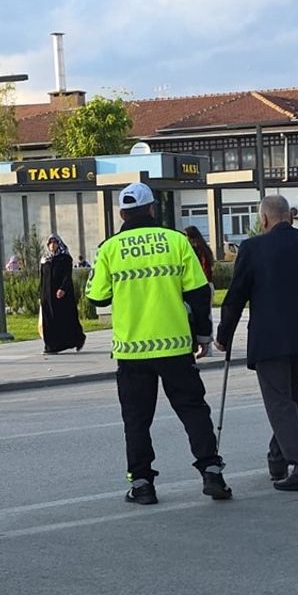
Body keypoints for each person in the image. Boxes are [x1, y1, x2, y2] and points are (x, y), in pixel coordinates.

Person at [86, 181, 231, 505]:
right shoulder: (176, 241)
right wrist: (203, 336)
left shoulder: (110, 248)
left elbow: (97, 297)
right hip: (175, 346)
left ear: (122, 212)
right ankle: (211, 471)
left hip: (132, 350)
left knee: (137, 420)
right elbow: (199, 292)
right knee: (193, 411)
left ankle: (141, 484)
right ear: (152, 208)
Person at [216, 194, 298, 491]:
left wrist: (223, 335)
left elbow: (236, 296)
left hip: (270, 338)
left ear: (264, 219)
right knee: (290, 399)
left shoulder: (253, 248)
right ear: (290, 216)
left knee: (280, 402)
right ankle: (278, 459)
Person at [39, 234, 86, 355]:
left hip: (61, 294)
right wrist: (40, 294)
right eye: (50, 243)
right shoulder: (45, 259)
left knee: (64, 318)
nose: (52, 245)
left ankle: (77, 339)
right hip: (47, 295)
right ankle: (50, 345)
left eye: (55, 243)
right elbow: (42, 278)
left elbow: (67, 276)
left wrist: (63, 289)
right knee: (48, 319)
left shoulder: (64, 258)